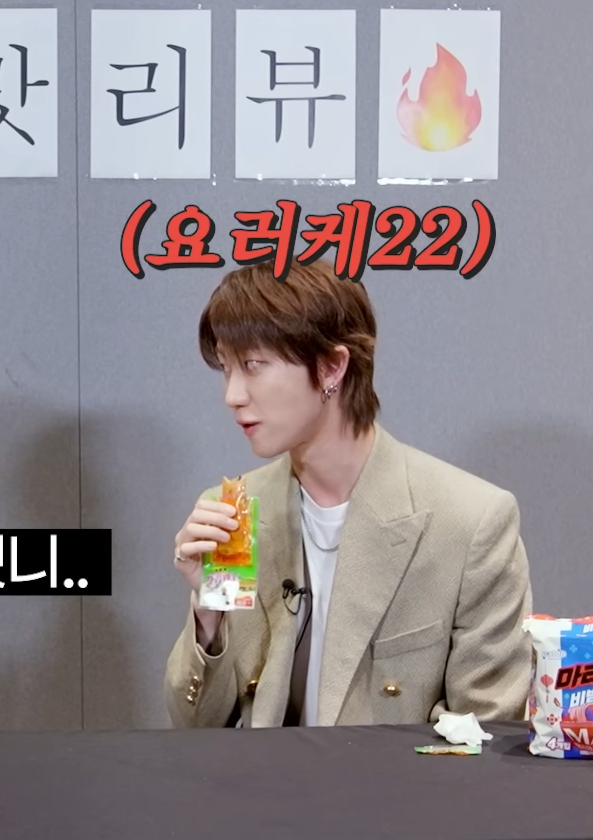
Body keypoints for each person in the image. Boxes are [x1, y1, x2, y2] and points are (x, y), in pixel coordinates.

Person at [166, 261, 531, 728]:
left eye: (253, 365)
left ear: (331, 367)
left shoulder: (470, 522)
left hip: (393, 777)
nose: (232, 395)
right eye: (226, 368)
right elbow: (194, 727)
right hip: (260, 777)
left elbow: (485, 732)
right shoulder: (236, 513)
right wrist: (209, 613)